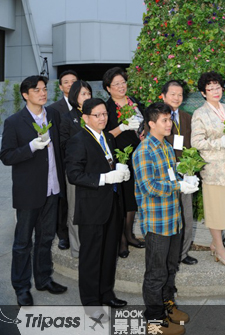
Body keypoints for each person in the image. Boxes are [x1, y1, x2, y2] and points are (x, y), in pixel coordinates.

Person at [0, 75, 67, 307]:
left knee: (46, 238)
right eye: (37, 90)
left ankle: (43, 278)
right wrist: (30, 147)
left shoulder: (54, 116)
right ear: (25, 95)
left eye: (44, 89)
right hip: (29, 191)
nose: (43, 93)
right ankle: (21, 287)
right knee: (22, 242)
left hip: (52, 187)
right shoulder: (14, 122)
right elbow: (6, 156)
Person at [133, 102, 198, 335]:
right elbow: (148, 186)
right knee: (155, 273)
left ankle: (167, 306)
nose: (169, 124)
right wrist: (177, 185)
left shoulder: (166, 147)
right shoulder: (143, 151)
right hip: (157, 223)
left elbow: (170, 176)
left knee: (171, 267)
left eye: (170, 119)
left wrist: (186, 180)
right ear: (151, 124)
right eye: (164, 120)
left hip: (173, 219)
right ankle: (154, 321)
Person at [65, 98, 130, 312]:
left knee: (109, 252)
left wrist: (120, 170)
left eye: (105, 114)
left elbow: (109, 162)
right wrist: (105, 178)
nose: (103, 118)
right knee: (91, 256)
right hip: (92, 208)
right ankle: (91, 303)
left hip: (112, 204)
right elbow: (74, 175)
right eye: (97, 115)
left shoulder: (109, 138)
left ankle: (106, 293)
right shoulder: (79, 140)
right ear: (85, 118)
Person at [191, 71, 225, 268]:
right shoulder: (199, 113)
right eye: (210, 88)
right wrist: (220, 142)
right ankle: (219, 249)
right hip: (213, 167)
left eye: (217, 87)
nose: (215, 91)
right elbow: (196, 142)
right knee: (215, 208)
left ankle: (215, 243)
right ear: (203, 93)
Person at [103, 67, 145, 258]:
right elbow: (105, 136)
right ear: (108, 88)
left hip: (138, 154)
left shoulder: (134, 102)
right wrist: (122, 126)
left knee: (133, 196)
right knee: (121, 197)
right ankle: (120, 239)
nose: (121, 86)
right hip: (120, 157)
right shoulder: (107, 108)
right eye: (116, 84)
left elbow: (145, 124)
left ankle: (129, 234)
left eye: (123, 82)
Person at [161, 80, 197, 266]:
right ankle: (168, 254)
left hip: (184, 171)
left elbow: (190, 144)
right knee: (169, 215)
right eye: (173, 94)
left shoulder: (185, 117)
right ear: (164, 96)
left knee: (186, 213)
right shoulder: (158, 116)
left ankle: (183, 253)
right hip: (165, 174)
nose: (176, 98)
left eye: (180, 94)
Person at [59, 80, 92, 258]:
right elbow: (63, 144)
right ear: (74, 97)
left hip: (95, 170)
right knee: (74, 209)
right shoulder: (67, 118)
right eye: (83, 94)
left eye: (89, 93)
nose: (87, 97)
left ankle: (90, 245)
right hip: (76, 170)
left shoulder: (97, 115)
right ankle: (77, 248)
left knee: (91, 208)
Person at [47, 69, 78, 251]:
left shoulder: (85, 105)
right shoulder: (53, 109)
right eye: (66, 82)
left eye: (74, 81)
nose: (70, 84)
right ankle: (63, 234)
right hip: (62, 159)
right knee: (63, 199)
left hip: (82, 161)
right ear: (60, 87)